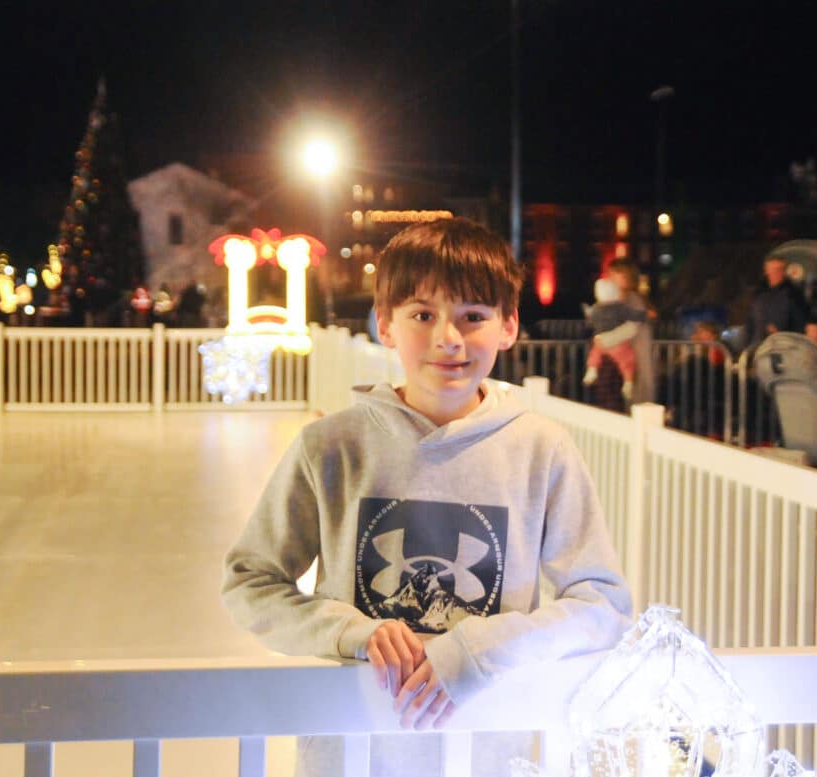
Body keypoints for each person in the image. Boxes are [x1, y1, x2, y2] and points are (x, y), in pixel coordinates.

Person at [221, 217, 632, 777]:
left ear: (509, 325)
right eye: (422, 315)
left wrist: (481, 649)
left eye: (473, 316)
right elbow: (251, 582)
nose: (449, 338)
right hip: (351, 751)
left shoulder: (542, 450)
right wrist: (352, 633)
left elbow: (602, 604)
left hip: (487, 754)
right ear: (385, 325)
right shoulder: (332, 446)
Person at [593, 258, 657, 404]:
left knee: (635, 392)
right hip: (619, 355)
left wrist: (604, 340)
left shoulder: (632, 300)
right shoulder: (616, 301)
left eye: (614, 274)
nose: (610, 279)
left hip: (634, 351)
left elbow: (632, 328)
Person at [582, 276, 647, 404]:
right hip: (619, 344)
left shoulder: (596, 309)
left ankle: (592, 370)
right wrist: (644, 315)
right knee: (627, 361)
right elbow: (635, 317)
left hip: (600, 340)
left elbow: (590, 323)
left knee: (594, 355)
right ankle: (628, 382)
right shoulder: (620, 307)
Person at [748, 256, 813, 347]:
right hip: (759, 348)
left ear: (784, 271)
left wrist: (780, 334)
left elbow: (801, 325)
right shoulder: (759, 295)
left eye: (779, 270)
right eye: (773, 270)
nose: (776, 273)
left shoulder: (794, 295)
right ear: (766, 271)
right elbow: (751, 324)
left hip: (785, 348)